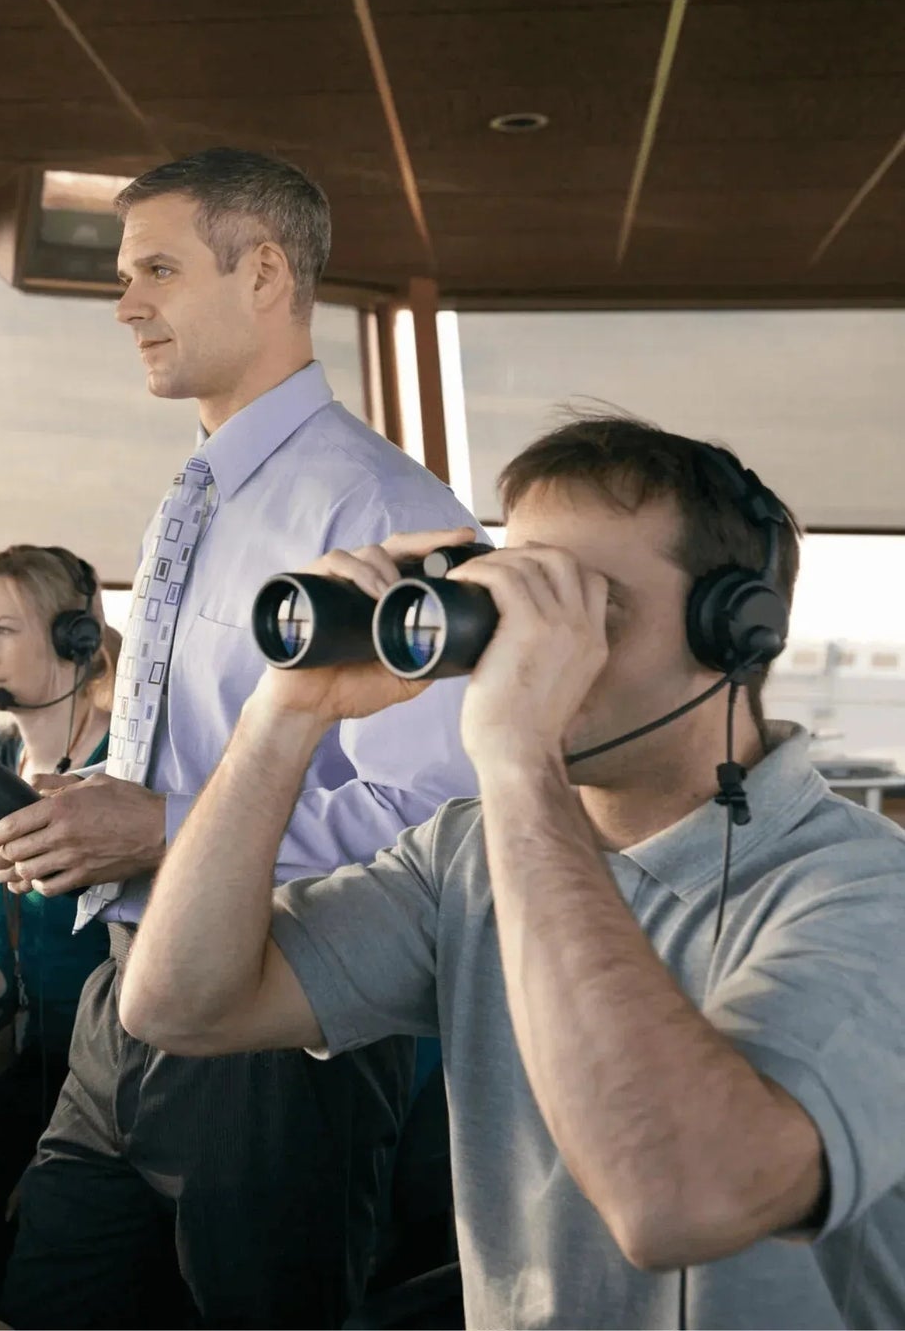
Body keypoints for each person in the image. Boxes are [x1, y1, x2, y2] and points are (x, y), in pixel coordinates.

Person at [122, 416, 905, 1330]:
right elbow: (179, 1004)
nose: (530, 646)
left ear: (735, 635)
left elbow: (678, 1198)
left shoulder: (866, 891)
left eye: (584, 608)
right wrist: (285, 716)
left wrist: (518, 756)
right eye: (517, 599)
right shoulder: (468, 851)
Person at [0, 149, 481, 1329]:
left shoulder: (384, 514)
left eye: (157, 267)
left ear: (263, 275)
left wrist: (156, 830)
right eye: (123, 273)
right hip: (127, 998)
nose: (125, 304)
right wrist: (101, 803)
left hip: (276, 1032)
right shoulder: (196, 498)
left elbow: (434, 820)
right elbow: (193, 751)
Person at [0, 544, 116, 1076]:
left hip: (116, 1056)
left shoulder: (127, 765)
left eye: (4, 630)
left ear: (72, 639)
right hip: (40, 1050)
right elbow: (8, 928)